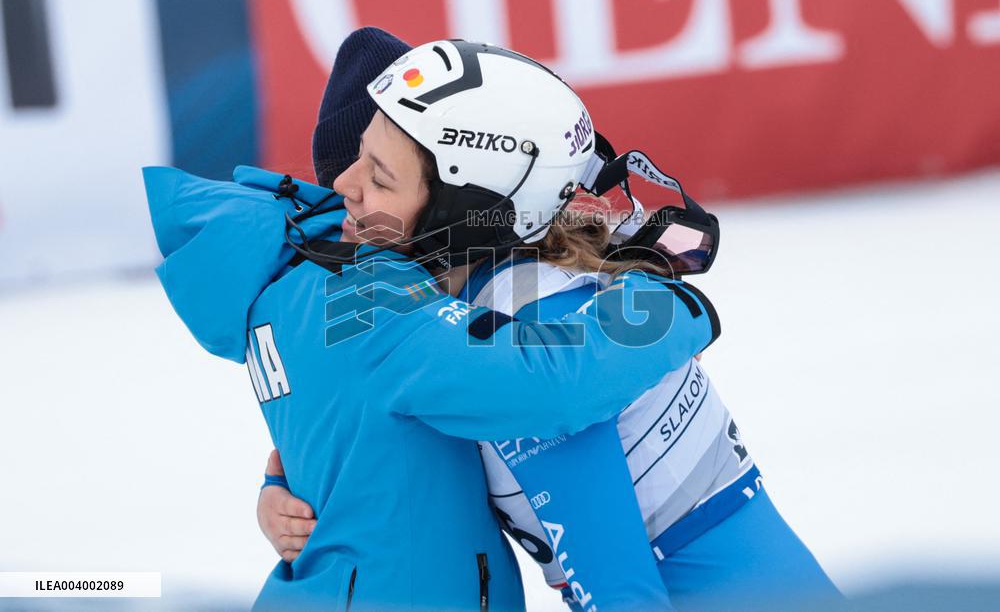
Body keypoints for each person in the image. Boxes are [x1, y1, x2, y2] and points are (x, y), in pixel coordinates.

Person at [257, 33, 842, 610]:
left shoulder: (525, 326)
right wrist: (286, 493)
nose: (340, 187)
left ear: (462, 213)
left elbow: (622, 594)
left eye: (378, 176)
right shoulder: (468, 311)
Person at [143, 31, 718, 610]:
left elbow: (344, 434)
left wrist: (278, 490)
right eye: (368, 172)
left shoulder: (291, 282)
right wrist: (666, 303)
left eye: (379, 171)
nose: (349, 187)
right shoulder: (369, 303)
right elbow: (551, 383)